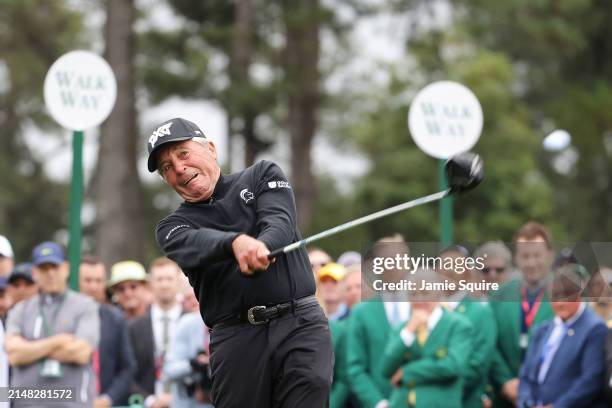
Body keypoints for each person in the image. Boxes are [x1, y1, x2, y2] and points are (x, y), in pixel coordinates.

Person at [148, 117, 332, 408]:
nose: (179, 169)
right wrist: (235, 244)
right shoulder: (172, 227)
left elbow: (280, 223)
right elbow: (196, 244)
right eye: (167, 167)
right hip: (237, 338)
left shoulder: (261, 174)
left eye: (183, 154)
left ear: (211, 148)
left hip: (299, 324)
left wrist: (264, 247)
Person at [5, 241, 100, 407]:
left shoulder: (86, 305)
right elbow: (13, 355)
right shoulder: (20, 310)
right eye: (44, 269)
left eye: (54, 267)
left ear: (66, 268)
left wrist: (29, 349)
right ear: (34, 272)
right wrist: (58, 342)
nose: (50, 274)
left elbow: (81, 353)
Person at [380, 268, 473, 408]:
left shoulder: (458, 325)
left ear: (438, 293)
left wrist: (407, 372)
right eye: (413, 294)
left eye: (425, 292)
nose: (419, 299)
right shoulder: (402, 329)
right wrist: (408, 332)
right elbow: (386, 369)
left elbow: (453, 365)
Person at [519, 263, 607, 407]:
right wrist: (525, 402)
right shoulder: (542, 329)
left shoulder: (595, 329)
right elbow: (526, 375)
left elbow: (590, 381)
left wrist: (557, 406)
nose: (561, 303)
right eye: (555, 297)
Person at [488, 222, 555, 407]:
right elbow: (489, 344)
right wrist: (505, 381)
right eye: (525, 256)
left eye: (537, 255)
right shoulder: (499, 296)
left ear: (549, 255)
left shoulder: (566, 296)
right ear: (516, 258)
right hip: (506, 396)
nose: (531, 263)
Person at [347, 235, 412, 408]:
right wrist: (378, 403)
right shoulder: (362, 312)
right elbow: (355, 368)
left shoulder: (425, 306)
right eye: (387, 260)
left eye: (399, 259)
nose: (393, 266)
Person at [436, 246, 498, 408]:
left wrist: (437, 389)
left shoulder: (480, 312)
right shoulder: (429, 311)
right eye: (444, 264)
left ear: (467, 272)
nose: (449, 271)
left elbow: (478, 365)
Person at [79, 257, 136, 408]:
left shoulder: (115, 319)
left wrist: (108, 398)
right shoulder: (63, 317)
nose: (93, 287)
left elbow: (127, 368)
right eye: (88, 280)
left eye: (98, 281)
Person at [129, 257, 184, 408]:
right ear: (151, 283)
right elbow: (127, 371)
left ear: (178, 281)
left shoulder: (193, 322)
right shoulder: (135, 327)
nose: (164, 284)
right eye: (159, 279)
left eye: (169, 279)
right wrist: (150, 401)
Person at [163, 309, 213, 408]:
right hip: (189, 401)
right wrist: (193, 364)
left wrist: (212, 364)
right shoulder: (188, 323)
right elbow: (169, 369)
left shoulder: (234, 323)